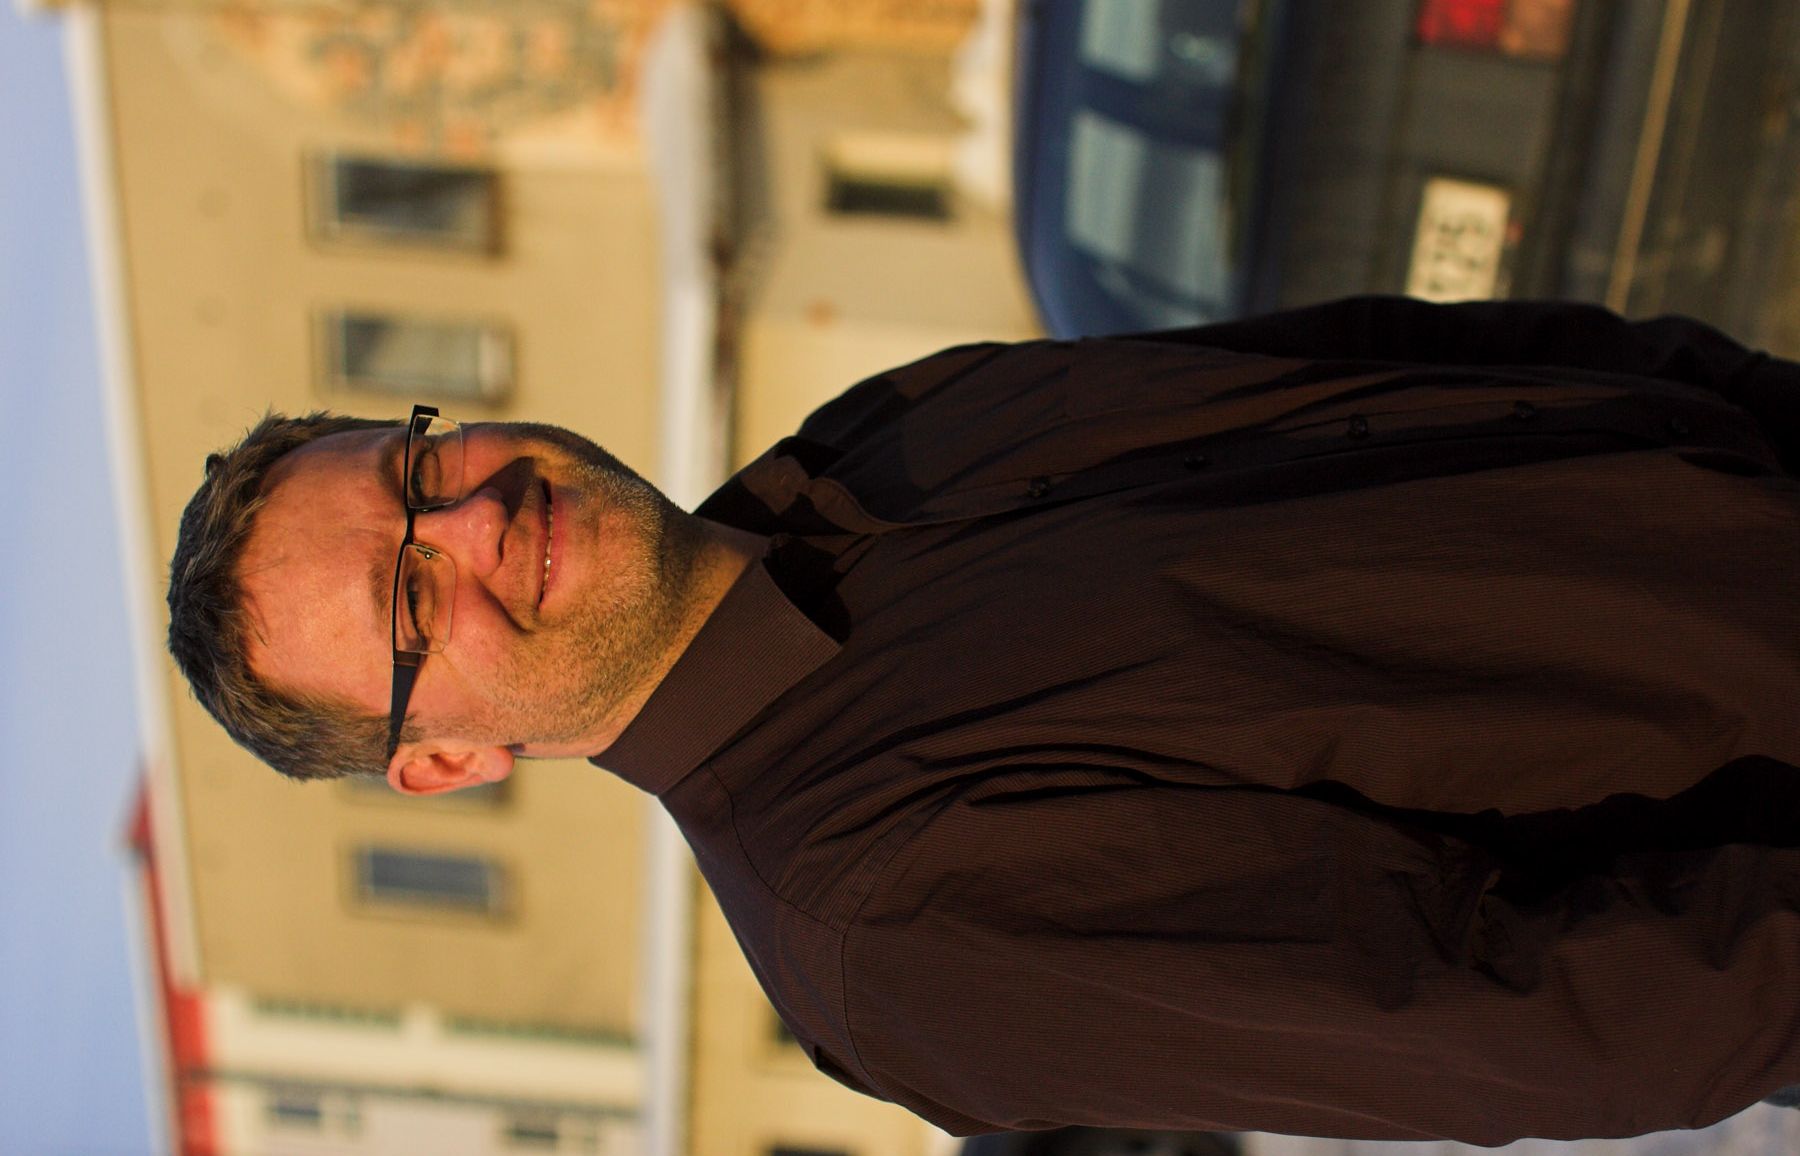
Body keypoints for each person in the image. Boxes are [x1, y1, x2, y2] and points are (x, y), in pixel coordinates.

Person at [168, 295, 1800, 1145]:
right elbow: (1538, 1016)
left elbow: (1386, 364)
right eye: (408, 604)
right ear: (448, 759)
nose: (471, 522)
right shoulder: (881, 931)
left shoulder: (875, 436)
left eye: (417, 469)